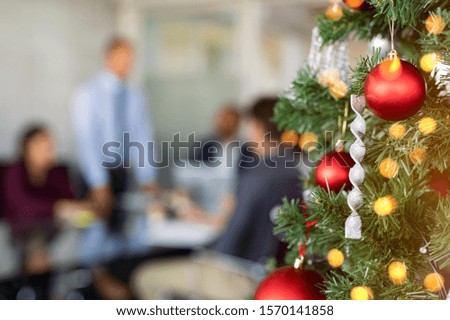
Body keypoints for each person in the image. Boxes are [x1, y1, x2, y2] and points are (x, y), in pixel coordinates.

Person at [132, 97, 302, 299]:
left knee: (145, 277)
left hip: (240, 276)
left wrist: (207, 243)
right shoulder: (292, 170)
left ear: (257, 127)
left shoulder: (258, 175)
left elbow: (229, 244)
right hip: (273, 276)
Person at [72, 37, 157, 225]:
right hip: (94, 174)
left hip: (123, 173)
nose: (129, 63)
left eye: (131, 58)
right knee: (96, 232)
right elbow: (87, 141)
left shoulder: (136, 94)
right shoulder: (87, 93)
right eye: (124, 57)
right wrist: (98, 183)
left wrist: (147, 177)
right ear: (108, 58)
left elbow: (142, 137)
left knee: (124, 227)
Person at [2, 125, 91, 274]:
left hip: (53, 227)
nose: (49, 150)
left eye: (50, 145)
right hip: (19, 229)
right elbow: (21, 207)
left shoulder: (57, 172)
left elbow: (71, 201)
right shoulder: (13, 171)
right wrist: (58, 207)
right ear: (27, 148)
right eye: (43, 145)